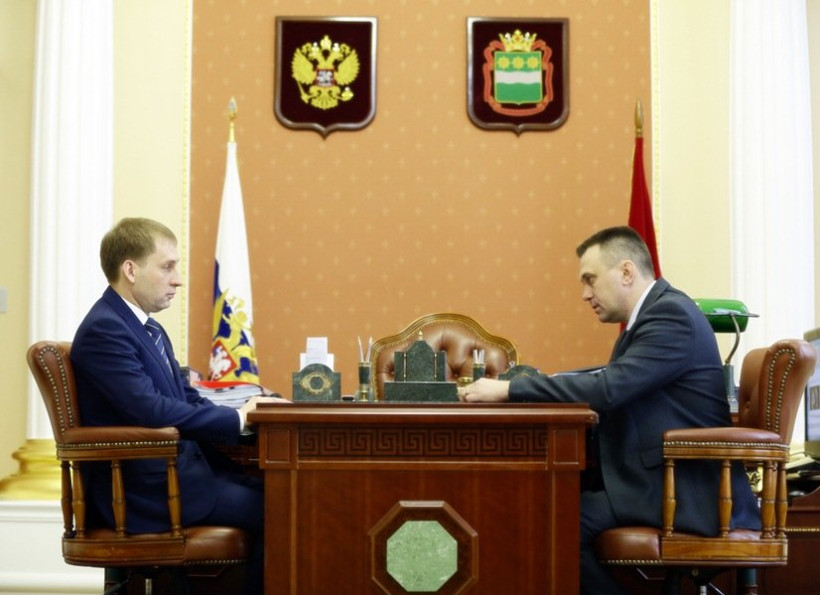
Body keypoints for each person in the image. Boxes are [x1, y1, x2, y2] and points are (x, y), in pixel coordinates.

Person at [457, 226, 761, 594]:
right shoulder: (651, 317)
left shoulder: (671, 316)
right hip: (656, 480)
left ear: (626, 272)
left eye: (590, 279)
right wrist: (542, 383)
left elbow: (609, 389)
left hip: (683, 490)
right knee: (545, 509)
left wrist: (509, 390)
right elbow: (610, 380)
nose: (585, 294)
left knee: (550, 524)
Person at [71, 217, 283, 594]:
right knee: (283, 511)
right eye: (167, 267)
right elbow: (151, 411)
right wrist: (236, 419)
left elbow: (184, 398)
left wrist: (246, 416)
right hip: (146, 493)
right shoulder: (106, 329)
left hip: (183, 475)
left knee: (287, 491)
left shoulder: (147, 327)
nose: (178, 280)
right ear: (131, 270)